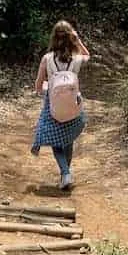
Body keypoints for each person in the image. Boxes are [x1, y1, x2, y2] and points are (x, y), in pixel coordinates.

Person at [31, 20, 90, 191]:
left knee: (55, 139)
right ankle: (66, 174)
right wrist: (78, 41)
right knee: (68, 138)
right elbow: (88, 56)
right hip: (73, 103)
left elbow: (38, 84)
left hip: (53, 104)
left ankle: (65, 173)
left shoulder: (47, 58)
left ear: (53, 38)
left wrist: (43, 90)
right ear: (70, 37)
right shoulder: (77, 59)